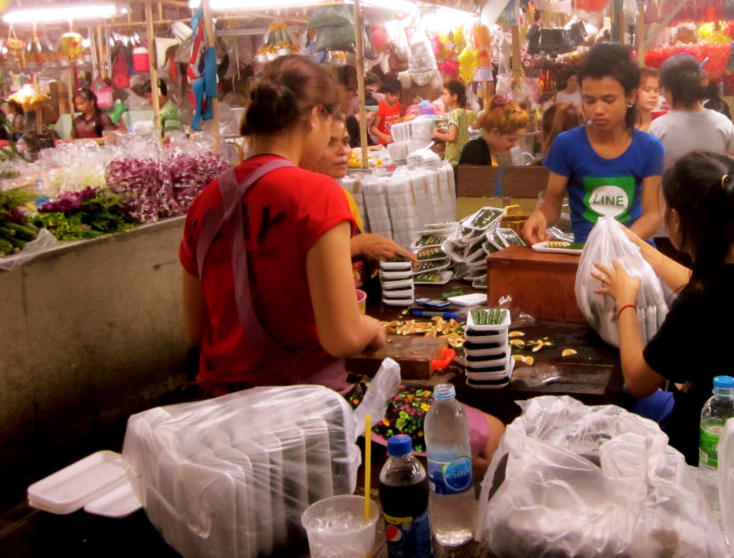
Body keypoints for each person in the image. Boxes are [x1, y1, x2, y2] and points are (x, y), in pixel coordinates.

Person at [179, 56, 502, 467]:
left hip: (228, 408)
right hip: (313, 410)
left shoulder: (205, 202)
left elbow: (195, 329)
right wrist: (370, 328)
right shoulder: (316, 194)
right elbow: (342, 338)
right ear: (315, 115)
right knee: (491, 435)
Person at [590, 151, 734, 463]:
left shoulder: (699, 303)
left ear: (675, 220)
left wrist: (626, 301)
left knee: (611, 402)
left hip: (717, 452)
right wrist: (635, 245)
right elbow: (702, 287)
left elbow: (637, 382)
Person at [523, 42, 665, 245]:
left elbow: (653, 215)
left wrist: (621, 242)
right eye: (589, 100)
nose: (598, 109)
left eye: (608, 100)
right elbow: (551, 204)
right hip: (585, 256)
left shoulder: (650, 148)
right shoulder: (567, 145)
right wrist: (540, 217)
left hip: (635, 255)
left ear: (631, 96)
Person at [312, 114, 417, 291]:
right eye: (330, 143)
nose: (343, 151)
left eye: (345, 142)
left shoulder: (344, 197)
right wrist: (359, 245)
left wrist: (376, 254)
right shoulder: (299, 201)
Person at [649, 53, 734, 174]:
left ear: (669, 90)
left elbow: (650, 176)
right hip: (716, 192)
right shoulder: (722, 122)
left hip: (671, 192)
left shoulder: (658, 127)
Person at [457, 96, 529, 166]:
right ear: (496, 132)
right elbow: (466, 176)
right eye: (510, 140)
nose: (514, 145)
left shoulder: (499, 152)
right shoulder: (473, 151)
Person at [432, 79, 473, 165]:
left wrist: (436, 134)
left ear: (454, 96)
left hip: (454, 159)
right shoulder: (462, 112)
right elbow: (459, 133)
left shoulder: (454, 113)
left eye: (446, 94)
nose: (443, 97)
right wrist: (445, 132)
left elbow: (452, 138)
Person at [369, 75, 402, 145]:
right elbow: (373, 128)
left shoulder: (398, 105)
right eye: (392, 95)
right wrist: (384, 136)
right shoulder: (381, 107)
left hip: (397, 141)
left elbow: (398, 122)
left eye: (397, 95)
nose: (395, 98)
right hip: (385, 144)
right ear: (386, 93)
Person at [636, 67, 660, 132]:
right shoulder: (621, 124)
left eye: (656, 91)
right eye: (647, 90)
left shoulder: (662, 121)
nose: (654, 95)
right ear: (634, 92)